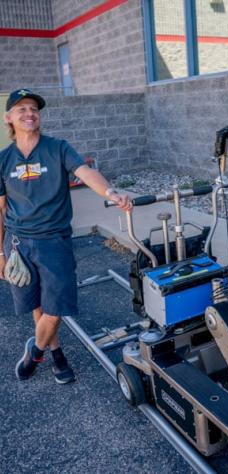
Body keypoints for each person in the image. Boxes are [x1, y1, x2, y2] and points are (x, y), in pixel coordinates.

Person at [0, 88, 131, 384]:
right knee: (38, 304)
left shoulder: (57, 148)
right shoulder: (3, 159)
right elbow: (0, 209)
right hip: (18, 244)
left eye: (33, 108)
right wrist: (0, 253)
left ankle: (34, 352)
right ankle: (56, 353)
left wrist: (111, 192)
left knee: (56, 308)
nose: (29, 113)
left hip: (53, 241)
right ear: (9, 118)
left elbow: (85, 172)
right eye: (21, 109)